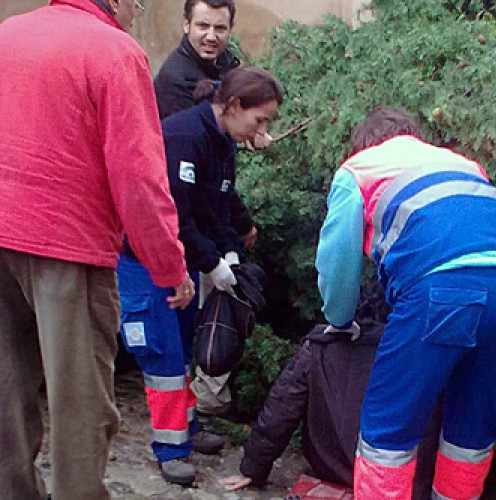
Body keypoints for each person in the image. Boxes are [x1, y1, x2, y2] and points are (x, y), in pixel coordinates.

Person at [0, 0, 195, 498]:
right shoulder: (114, 52)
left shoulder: (7, 34)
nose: (138, 9)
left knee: (6, 394)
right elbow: (139, 179)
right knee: (79, 407)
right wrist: (169, 266)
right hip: (69, 249)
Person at [314, 107, 496, 499]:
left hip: (442, 293)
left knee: (388, 432)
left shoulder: (358, 170)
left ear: (363, 144)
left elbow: (338, 260)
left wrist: (340, 317)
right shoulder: (463, 164)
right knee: (470, 433)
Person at [117, 65, 283, 485]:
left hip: (181, 260)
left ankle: (188, 427)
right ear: (232, 106)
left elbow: (219, 204)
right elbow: (178, 215)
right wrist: (212, 262)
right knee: (164, 355)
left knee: (186, 347)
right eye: (259, 119)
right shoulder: (182, 137)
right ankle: (170, 448)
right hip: (145, 261)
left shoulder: (222, 140)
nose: (262, 130)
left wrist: (228, 249)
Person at [152, 0, 269, 416]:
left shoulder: (226, 67)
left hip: (202, 221)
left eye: (220, 27)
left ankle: (196, 409)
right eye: (202, 25)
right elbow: (191, 192)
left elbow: (219, 174)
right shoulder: (176, 84)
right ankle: (191, 412)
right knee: (176, 335)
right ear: (186, 24)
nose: (211, 36)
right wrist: (217, 255)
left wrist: (231, 238)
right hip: (173, 228)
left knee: (205, 313)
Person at [220, 282, 439, 500]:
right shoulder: (430, 355)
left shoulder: (321, 344)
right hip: (402, 480)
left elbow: (282, 406)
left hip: (333, 470)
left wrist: (253, 467)